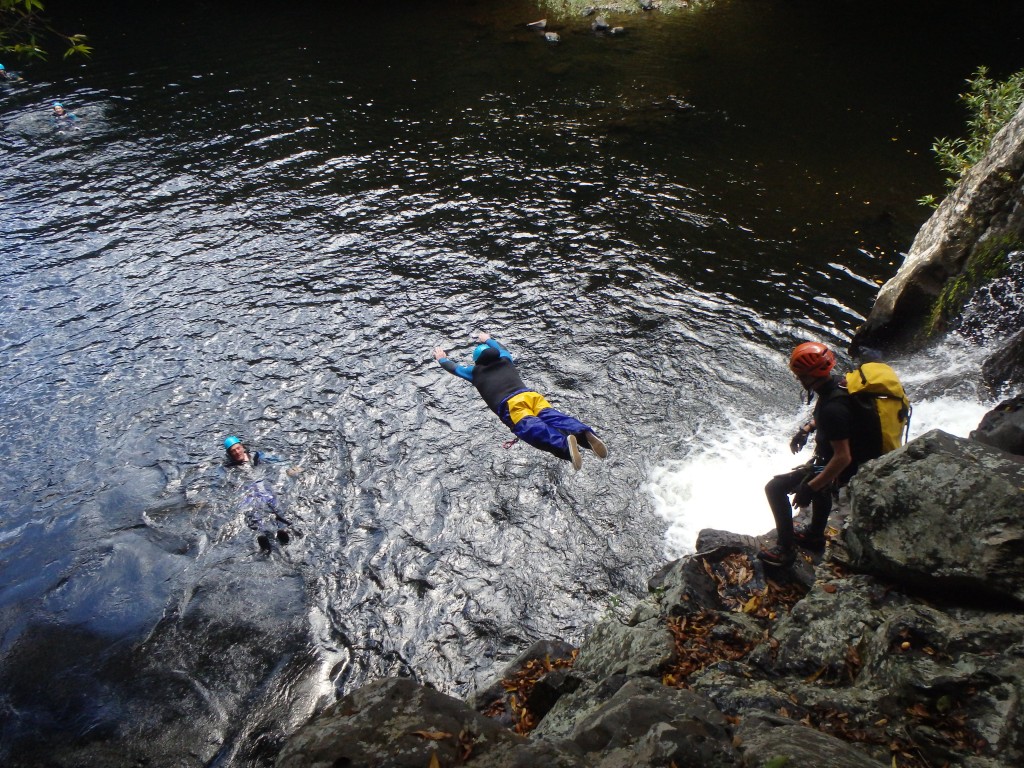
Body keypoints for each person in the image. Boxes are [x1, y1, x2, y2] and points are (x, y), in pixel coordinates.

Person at [757, 342, 882, 567]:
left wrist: (809, 488)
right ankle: (814, 536)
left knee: (775, 488)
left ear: (811, 376)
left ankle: (785, 551)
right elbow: (836, 420)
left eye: (800, 376)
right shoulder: (839, 385)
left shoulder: (833, 407)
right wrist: (806, 430)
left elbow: (842, 457)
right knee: (818, 471)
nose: (798, 380)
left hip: (847, 467)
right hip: (854, 458)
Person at [433, 332, 608, 470]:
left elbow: (453, 368)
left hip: (511, 404)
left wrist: (441, 357)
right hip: (531, 396)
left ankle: (564, 445)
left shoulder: (474, 372)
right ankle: (583, 434)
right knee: (553, 416)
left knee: (532, 428)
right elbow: (498, 346)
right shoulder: (505, 358)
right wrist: (487, 339)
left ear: (477, 361)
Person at [223, 436, 299, 552]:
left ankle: (282, 530)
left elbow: (275, 459)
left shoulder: (256, 456)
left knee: (273, 503)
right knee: (253, 510)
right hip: (248, 489)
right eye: (233, 451)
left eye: (238, 448)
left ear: (242, 447)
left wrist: (290, 467)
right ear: (230, 454)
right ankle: (262, 535)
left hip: (262, 484)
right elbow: (225, 481)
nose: (237, 452)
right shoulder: (229, 467)